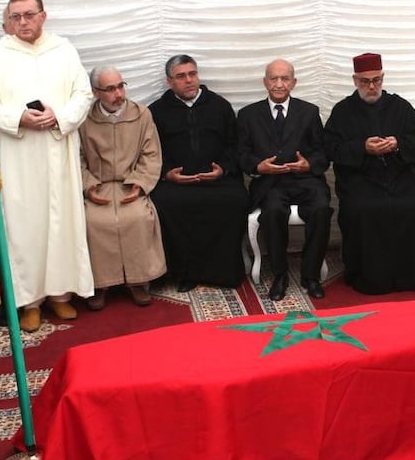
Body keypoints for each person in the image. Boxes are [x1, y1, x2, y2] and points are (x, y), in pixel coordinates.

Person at [0, 0, 95, 333]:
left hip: (56, 148)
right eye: (16, 17)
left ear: (43, 16)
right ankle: (29, 300)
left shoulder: (62, 49)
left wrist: (58, 115)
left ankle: (60, 295)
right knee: (24, 226)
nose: (23, 23)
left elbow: (83, 94)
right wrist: (19, 117)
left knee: (62, 222)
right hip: (17, 156)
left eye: (29, 15)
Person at [324, 53, 415, 294]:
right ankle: (372, 279)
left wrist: (398, 144)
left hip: (400, 174)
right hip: (361, 178)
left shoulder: (400, 106)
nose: (372, 86)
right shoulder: (343, 111)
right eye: (365, 81)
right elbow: (330, 147)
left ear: (383, 78)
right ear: (355, 81)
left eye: (376, 80)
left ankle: (414, 277)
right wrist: (361, 148)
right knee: (365, 209)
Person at [149, 54, 248, 291]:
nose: (189, 80)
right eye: (181, 76)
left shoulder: (219, 106)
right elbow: (149, 151)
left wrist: (222, 169)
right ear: (169, 81)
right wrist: (166, 174)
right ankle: (185, 273)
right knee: (165, 203)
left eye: (192, 74)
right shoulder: (156, 111)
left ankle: (223, 272)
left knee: (235, 200)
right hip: (176, 182)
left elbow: (236, 145)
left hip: (217, 180)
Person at [237, 59, 332, 300]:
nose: (279, 84)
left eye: (285, 78)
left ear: (294, 82)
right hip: (270, 183)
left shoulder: (309, 112)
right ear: (265, 82)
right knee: (273, 211)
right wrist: (259, 167)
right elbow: (241, 155)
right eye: (274, 78)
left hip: (305, 180)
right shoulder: (248, 115)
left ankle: (310, 276)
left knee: (322, 209)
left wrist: (308, 164)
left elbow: (323, 153)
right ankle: (280, 275)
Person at [79, 66, 166, 309]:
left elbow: (151, 155)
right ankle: (100, 284)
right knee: (94, 222)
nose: (118, 94)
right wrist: (89, 187)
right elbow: (78, 158)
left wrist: (139, 185)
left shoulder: (142, 115)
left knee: (138, 217)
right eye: (110, 89)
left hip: (131, 185)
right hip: (100, 187)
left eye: (120, 86)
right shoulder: (84, 120)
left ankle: (137, 281)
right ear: (96, 92)